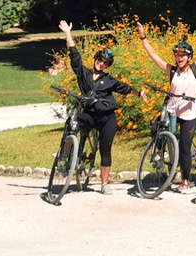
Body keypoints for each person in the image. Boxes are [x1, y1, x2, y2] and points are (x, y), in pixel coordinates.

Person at [59, 20, 147, 195]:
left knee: (105, 149)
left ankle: (104, 183)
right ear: (95, 60)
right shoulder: (83, 74)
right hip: (90, 115)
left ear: (108, 66)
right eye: (100, 60)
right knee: (73, 120)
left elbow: (125, 88)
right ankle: (65, 153)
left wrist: (139, 93)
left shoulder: (109, 80)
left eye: (105, 63)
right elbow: (75, 56)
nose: (101, 64)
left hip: (107, 118)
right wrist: (68, 33)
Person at [137, 14, 196, 194]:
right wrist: (143, 37)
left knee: (185, 147)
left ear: (189, 57)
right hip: (172, 110)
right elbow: (153, 55)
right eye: (177, 55)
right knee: (156, 128)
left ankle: (186, 181)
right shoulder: (172, 71)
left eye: (183, 55)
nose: (179, 58)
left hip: (189, 113)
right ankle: (160, 152)